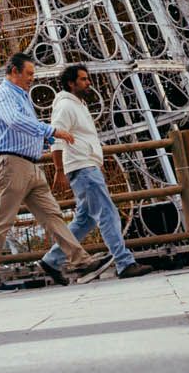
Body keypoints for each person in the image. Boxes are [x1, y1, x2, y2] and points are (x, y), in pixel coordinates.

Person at [0, 53, 105, 289]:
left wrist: (46, 142)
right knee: (2, 221)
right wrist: (52, 131)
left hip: (31, 166)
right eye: (29, 74)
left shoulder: (22, 96)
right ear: (14, 71)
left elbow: (25, 130)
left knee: (52, 216)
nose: (32, 79)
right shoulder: (3, 94)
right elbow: (15, 121)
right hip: (11, 165)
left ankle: (80, 261)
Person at [45, 67, 151, 281]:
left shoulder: (78, 105)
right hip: (82, 168)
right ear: (71, 83)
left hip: (87, 166)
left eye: (88, 79)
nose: (88, 83)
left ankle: (52, 259)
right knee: (108, 214)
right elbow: (55, 138)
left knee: (85, 221)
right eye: (83, 79)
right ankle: (124, 263)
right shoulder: (65, 106)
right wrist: (59, 170)